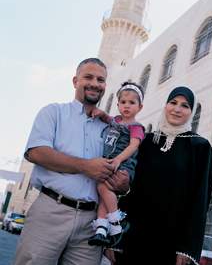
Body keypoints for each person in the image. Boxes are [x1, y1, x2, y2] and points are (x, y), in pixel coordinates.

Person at [13, 58, 130, 265]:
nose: (95, 83)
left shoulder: (110, 127)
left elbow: (122, 164)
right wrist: (85, 166)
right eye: (88, 77)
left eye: (101, 79)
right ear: (75, 81)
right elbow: (36, 153)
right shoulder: (53, 112)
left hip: (92, 223)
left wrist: (123, 184)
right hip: (51, 212)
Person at [106, 86, 212, 265]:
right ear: (165, 106)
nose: (177, 109)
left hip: (172, 243)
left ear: (192, 112)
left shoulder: (199, 147)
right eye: (173, 103)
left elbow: (200, 201)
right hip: (134, 237)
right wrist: (115, 238)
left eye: (185, 105)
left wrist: (188, 248)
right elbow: (129, 191)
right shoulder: (146, 141)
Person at [88, 81, 145, 247]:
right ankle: (101, 229)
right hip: (109, 162)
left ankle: (116, 221)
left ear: (140, 107)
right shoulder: (116, 120)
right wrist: (99, 113)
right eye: (123, 102)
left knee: (103, 188)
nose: (127, 106)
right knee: (103, 193)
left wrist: (119, 159)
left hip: (123, 165)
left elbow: (134, 145)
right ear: (118, 104)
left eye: (132, 103)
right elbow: (107, 117)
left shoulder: (136, 127)